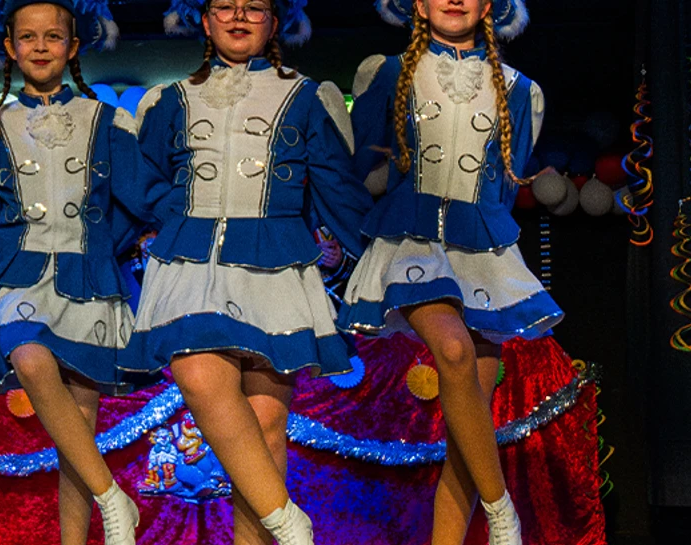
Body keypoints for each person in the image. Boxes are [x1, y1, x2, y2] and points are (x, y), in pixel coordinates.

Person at [124, 1, 372, 543]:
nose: (239, 17)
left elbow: (337, 188)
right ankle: (291, 525)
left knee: (263, 428)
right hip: (192, 263)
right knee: (197, 375)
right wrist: (164, 220)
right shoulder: (170, 100)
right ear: (205, 20)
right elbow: (141, 180)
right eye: (225, 6)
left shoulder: (305, 97)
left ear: (274, 21)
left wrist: (378, 261)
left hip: (276, 264)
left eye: (254, 6)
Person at [339, 2, 562, 544]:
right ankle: (502, 512)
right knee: (454, 351)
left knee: (469, 440)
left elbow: (504, 191)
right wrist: (350, 243)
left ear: (490, 5)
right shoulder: (388, 73)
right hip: (410, 239)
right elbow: (350, 167)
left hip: (480, 251)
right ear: (417, 4)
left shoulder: (520, 88)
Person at [0, 1, 139, 543]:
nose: (40, 46)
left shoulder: (107, 120)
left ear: (73, 46)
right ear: (9, 46)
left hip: (90, 282)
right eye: (28, 37)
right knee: (28, 357)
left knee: (77, 432)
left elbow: (130, 204)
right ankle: (115, 498)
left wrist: (97, 248)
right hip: (21, 277)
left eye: (53, 36)